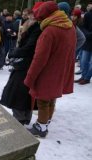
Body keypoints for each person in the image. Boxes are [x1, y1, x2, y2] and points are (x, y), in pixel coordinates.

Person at [24, 1, 76, 137]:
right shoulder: (69, 26)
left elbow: (39, 58)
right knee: (52, 98)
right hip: (61, 69)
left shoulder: (49, 31)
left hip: (48, 71)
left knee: (42, 100)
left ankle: (41, 127)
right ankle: (45, 122)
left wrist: (30, 77)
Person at [0, 7, 42, 125]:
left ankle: (20, 120)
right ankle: (24, 118)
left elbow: (29, 48)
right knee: (23, 92)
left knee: (18, 92)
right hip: (25, 63)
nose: (29, 16)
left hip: (27, 64)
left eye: (31, 15)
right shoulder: (31, 26)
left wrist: (14, 53)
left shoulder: (37, 28)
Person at [75, 3, 92, 85]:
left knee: (91, 63)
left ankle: (87, 78)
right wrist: (88, 34)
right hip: (87, 42)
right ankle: (83, 76)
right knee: (83, 61)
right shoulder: (88, 15)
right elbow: (83, 27)